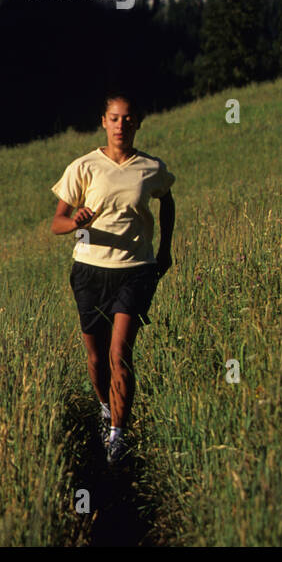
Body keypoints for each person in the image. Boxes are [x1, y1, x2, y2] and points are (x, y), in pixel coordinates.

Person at [50, 93, 175, 464]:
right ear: (104, 122)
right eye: (115, 119)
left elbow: (167, 200)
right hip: (89, 270)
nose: (121, 125)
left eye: (128, 119)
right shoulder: (83, 167)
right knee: (96, 357)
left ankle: (118, 438)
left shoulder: (151, 168)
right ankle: (105, 408)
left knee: (120, 353)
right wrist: (76, 222)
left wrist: (164, 249)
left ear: (138, 123)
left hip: (134, 271)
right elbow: (56, 223)